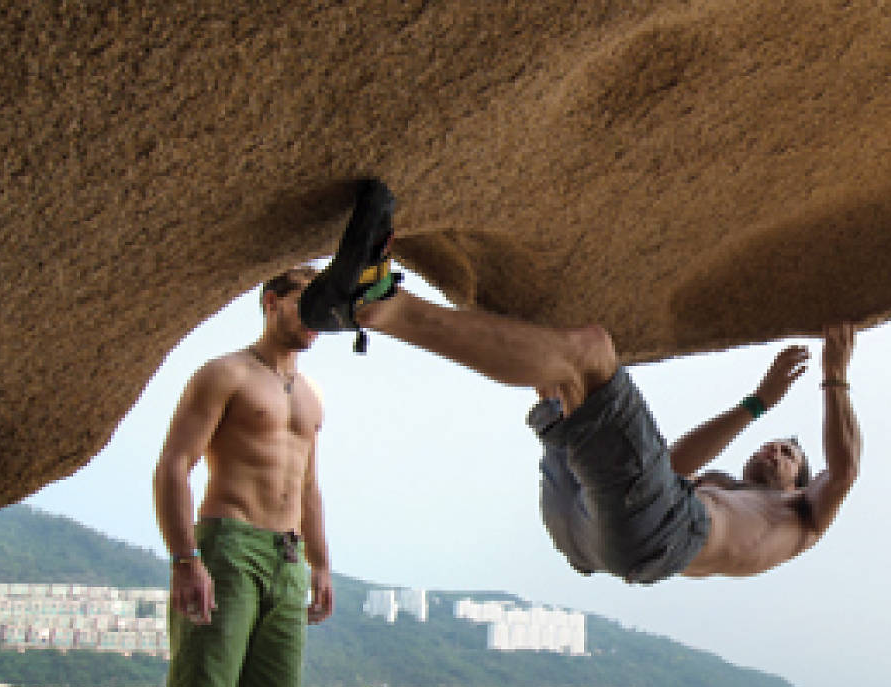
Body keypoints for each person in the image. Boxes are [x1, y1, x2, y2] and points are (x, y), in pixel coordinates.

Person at [299, 179, 860, 585]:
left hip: (659, 537)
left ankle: (374, 304)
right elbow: (664, 465)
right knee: (558, 379)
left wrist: (834, 378)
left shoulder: (802, 515)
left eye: (786, 452)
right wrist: (756, 405)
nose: (771, 449)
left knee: (590, 355)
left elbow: (847, 468)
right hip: (591, 533)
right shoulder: (724, 486)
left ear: (799, 479)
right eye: (773, 442)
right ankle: (376, 292)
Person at [152, 265, 335, 687]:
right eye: (305, 303)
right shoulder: (223, 372)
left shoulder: (311, 396)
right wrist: (184, 558)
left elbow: (308, 486)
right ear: (271, 301)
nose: (316, 316)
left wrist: (320, 561)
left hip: (286, 557)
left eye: (325, 306)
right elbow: (174, 463)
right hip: (228, 546)